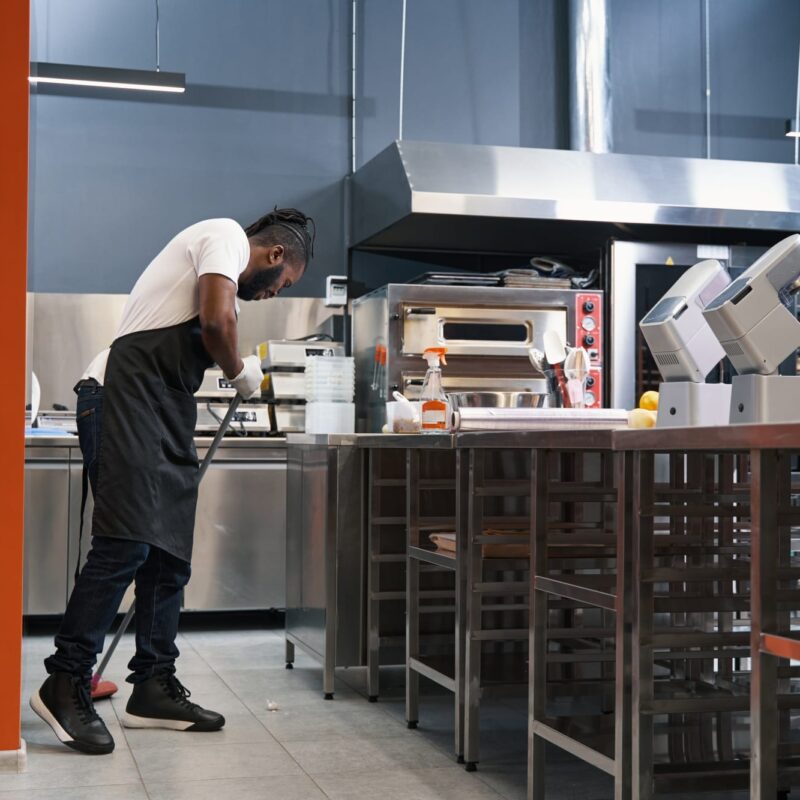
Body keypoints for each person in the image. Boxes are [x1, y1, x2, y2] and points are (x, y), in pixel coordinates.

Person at [31, 208, 314, 755]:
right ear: (276, 255)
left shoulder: (226, 266)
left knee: (170, 555)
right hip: (119, 396)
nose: (275, 294)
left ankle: (152, 686)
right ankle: (65, 679)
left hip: (162, 405)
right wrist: (238, 370)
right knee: (127, 541)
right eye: (284, 284)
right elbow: (215, 323)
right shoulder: (225, 236)